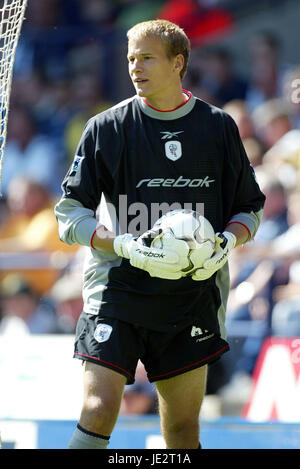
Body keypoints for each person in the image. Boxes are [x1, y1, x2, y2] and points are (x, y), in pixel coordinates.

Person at [54, 19, 265, 450]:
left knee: (184, 429)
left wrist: (226, 242)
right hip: (118, 286)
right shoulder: (106, 128)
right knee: (98, 407)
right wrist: (122, 244)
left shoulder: (218, 126)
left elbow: (249, 207)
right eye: (131, 58)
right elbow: (69, 212)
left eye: (147, 57)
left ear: (178, 63)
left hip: (191, 294)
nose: (136, 67)